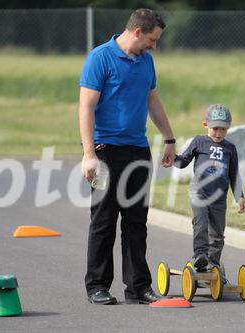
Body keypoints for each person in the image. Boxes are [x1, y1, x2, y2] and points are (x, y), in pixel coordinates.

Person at [79, 8, 176, 305]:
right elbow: (86, 107)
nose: (154, 46)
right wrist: (88, 154)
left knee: (136, 222)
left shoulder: (146, 62)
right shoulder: (100, 58)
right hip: (106, 151)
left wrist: (169, 138)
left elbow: (152, 100)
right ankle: (97, 285)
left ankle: (138, 287)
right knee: (104, 220)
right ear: (137, 32)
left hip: (138, 151)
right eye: (152, 39)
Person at [173, 104, 245, 277]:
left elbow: (234, 174)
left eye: (223, 129)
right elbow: (183, 161)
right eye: (215, 128)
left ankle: (213, 263)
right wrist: (172, 158)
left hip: (219, 198)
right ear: (205, 125)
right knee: (201, 224)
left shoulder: (230, 148)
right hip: (199, 193)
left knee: (218, 234)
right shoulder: (199, 141)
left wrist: (240, 197)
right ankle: (200, 256)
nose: (219, 133)